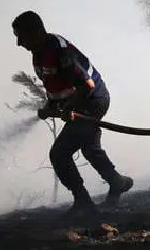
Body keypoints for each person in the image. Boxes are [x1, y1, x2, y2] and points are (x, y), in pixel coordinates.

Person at [12, 11, 134, 218]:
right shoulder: (39, 53)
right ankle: (117, 182)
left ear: (36, 32)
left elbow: (87, 85)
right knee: (89, 147)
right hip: (81, 103)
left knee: (59, 154)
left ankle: (83, 202)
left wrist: (70, 109)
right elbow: (56, 86)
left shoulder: (59, 51)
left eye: (21, 37)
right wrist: (49, 106)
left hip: (92, 101)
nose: (19, 43)